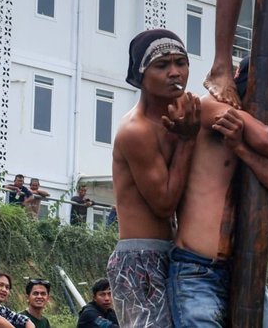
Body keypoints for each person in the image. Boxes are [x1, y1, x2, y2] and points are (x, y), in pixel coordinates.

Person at [169, 60, 268, 327]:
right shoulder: (211, 107)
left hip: (247, 271)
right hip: (198, 270)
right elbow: (267, 140)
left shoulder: (266, 134)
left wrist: (242, 149)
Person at [108, 30, 199, 328]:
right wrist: (186, 142)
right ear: (141, 74)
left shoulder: (186, 111)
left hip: (182, 255)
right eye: (162, 65)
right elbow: (163, 203)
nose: (175, 72)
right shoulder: (136, 130)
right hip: (141, 259)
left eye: (181, 62)